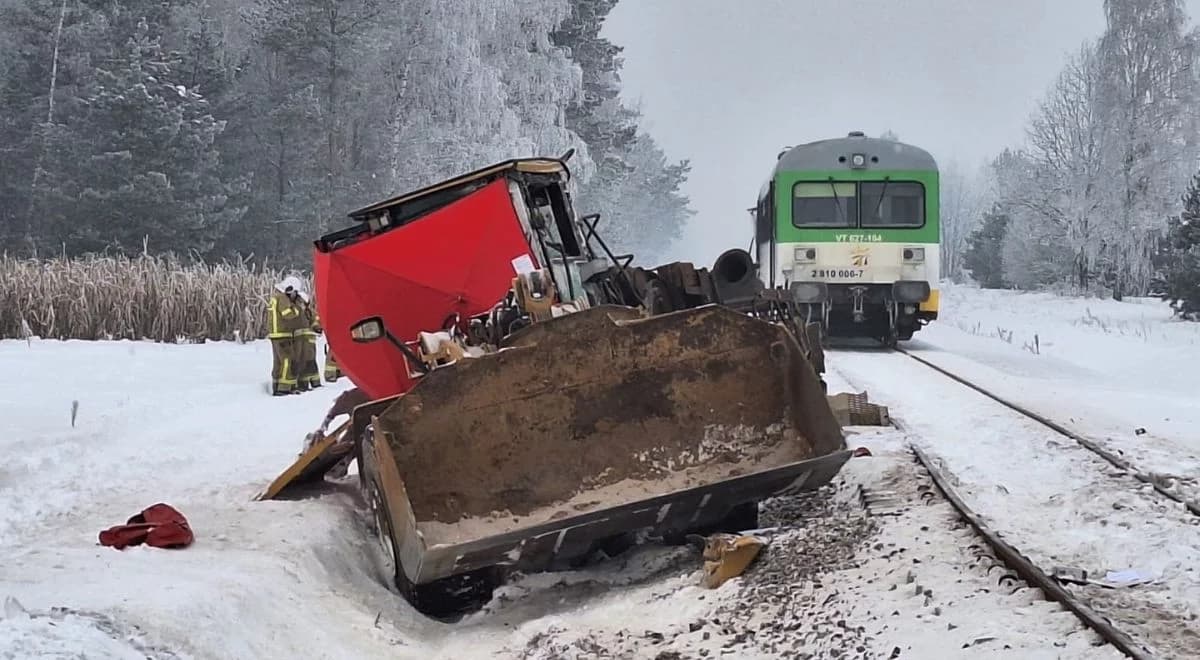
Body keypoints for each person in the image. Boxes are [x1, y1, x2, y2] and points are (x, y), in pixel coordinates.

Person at [267, 276, 307, 395]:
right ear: (290, 289)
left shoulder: (276, 297)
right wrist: (298, 309)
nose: (295, 295)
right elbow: (287, 314)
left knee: (278, 362)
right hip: (282, 334)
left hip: (276, 334)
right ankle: (284, 388)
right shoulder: (283, 298)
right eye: (295, 293)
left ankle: (277, 384)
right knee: (287, 360)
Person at [296, 290, 323, 391]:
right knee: (306, 362)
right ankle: (306, 383)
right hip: (303, 341)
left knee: (309, 361)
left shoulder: (307, 311)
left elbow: (314, 321)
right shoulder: (299, 311)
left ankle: (311, 382)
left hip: (307, 341)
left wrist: (317, 328)